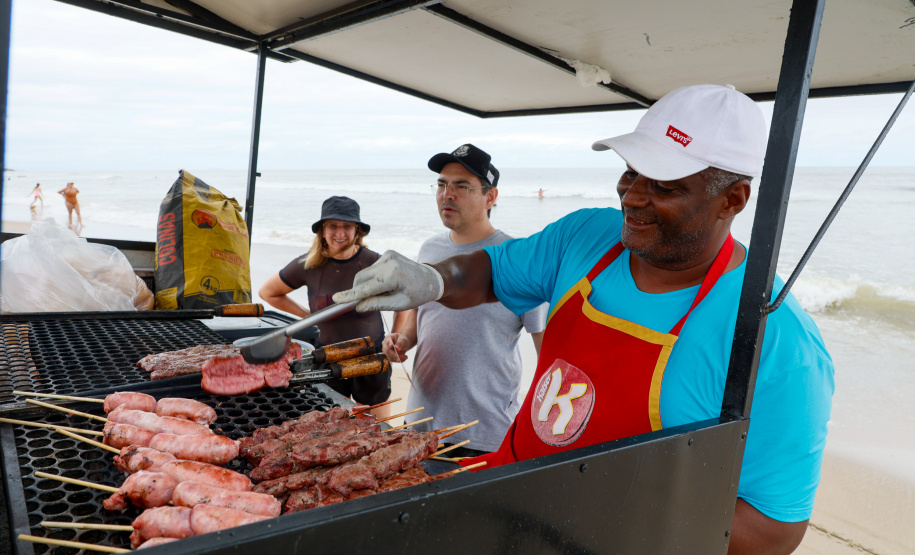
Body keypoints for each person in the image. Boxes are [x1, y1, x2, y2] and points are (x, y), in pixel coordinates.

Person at [333, 85, 834, 554]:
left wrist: (585, 511)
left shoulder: (777, 341)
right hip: (501, 499)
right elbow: (493, 269)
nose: (633, 196)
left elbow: (772, 528)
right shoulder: (587, 236)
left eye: (663, 184)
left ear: (733, 199)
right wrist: (434, 278)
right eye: (630, 171)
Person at [382, 144, 547, 458]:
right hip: (419, 422)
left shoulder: (518, 259)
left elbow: (547, 349)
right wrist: (401, 342)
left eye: (461, 186)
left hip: (484, 431)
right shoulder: (429, 250)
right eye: (442, 185)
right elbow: (422, 320)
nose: (448, 194)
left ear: (490, 197)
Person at [258, 196, 392, 415]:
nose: (340, 234)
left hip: (372, 357)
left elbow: (406, 299)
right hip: (326, 357)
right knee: (332, 429)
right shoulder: (308, 265)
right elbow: (268, 292)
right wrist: (308, 316)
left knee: (377, 428)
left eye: (347, 226)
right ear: (322, 229)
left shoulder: (373, 262)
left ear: (357, 229)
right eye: (333, 226)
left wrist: (396, 335)